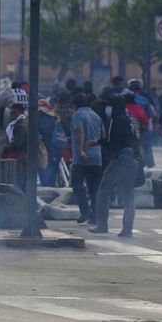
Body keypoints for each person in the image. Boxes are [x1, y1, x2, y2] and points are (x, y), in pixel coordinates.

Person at [89, 95, 139, 237]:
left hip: (121, 160)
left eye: (109, 105)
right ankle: (127, 229)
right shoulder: (128, 120)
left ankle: (102, 225)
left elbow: (113, 144)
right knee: (129, 196)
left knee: (104, 190)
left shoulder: (117, 121)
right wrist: (98, 142)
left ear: (115, 106)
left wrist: (100, 142)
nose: (107, 109)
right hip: (132, 160)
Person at [70, 93, 104, 224]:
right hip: (96, 157)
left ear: (74, 105)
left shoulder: (78, 114)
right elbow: (103, 135)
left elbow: (79, 131)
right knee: (94, 188)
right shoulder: (96, 116)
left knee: (77, 184)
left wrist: (80, 150)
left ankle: (85, 211)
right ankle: (94, 216)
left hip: (81, 158)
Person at [37, 97, 68, 187]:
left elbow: (43, 133)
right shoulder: (55, 116)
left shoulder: (41, 118)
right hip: (57, 150)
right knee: (52, 174)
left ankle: (47, 193)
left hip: (46, 151)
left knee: (45, 175)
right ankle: (51, 192)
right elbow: (67, 131)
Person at [0, 103, 28, 190]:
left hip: (21, 157)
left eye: (14, 113)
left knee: (19, 181)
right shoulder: (16, 124)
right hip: (20, 157)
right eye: (11, 113)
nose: (11, 115)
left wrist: (5, 147)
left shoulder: (21, 125)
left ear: (20, 113)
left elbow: (18, 144)